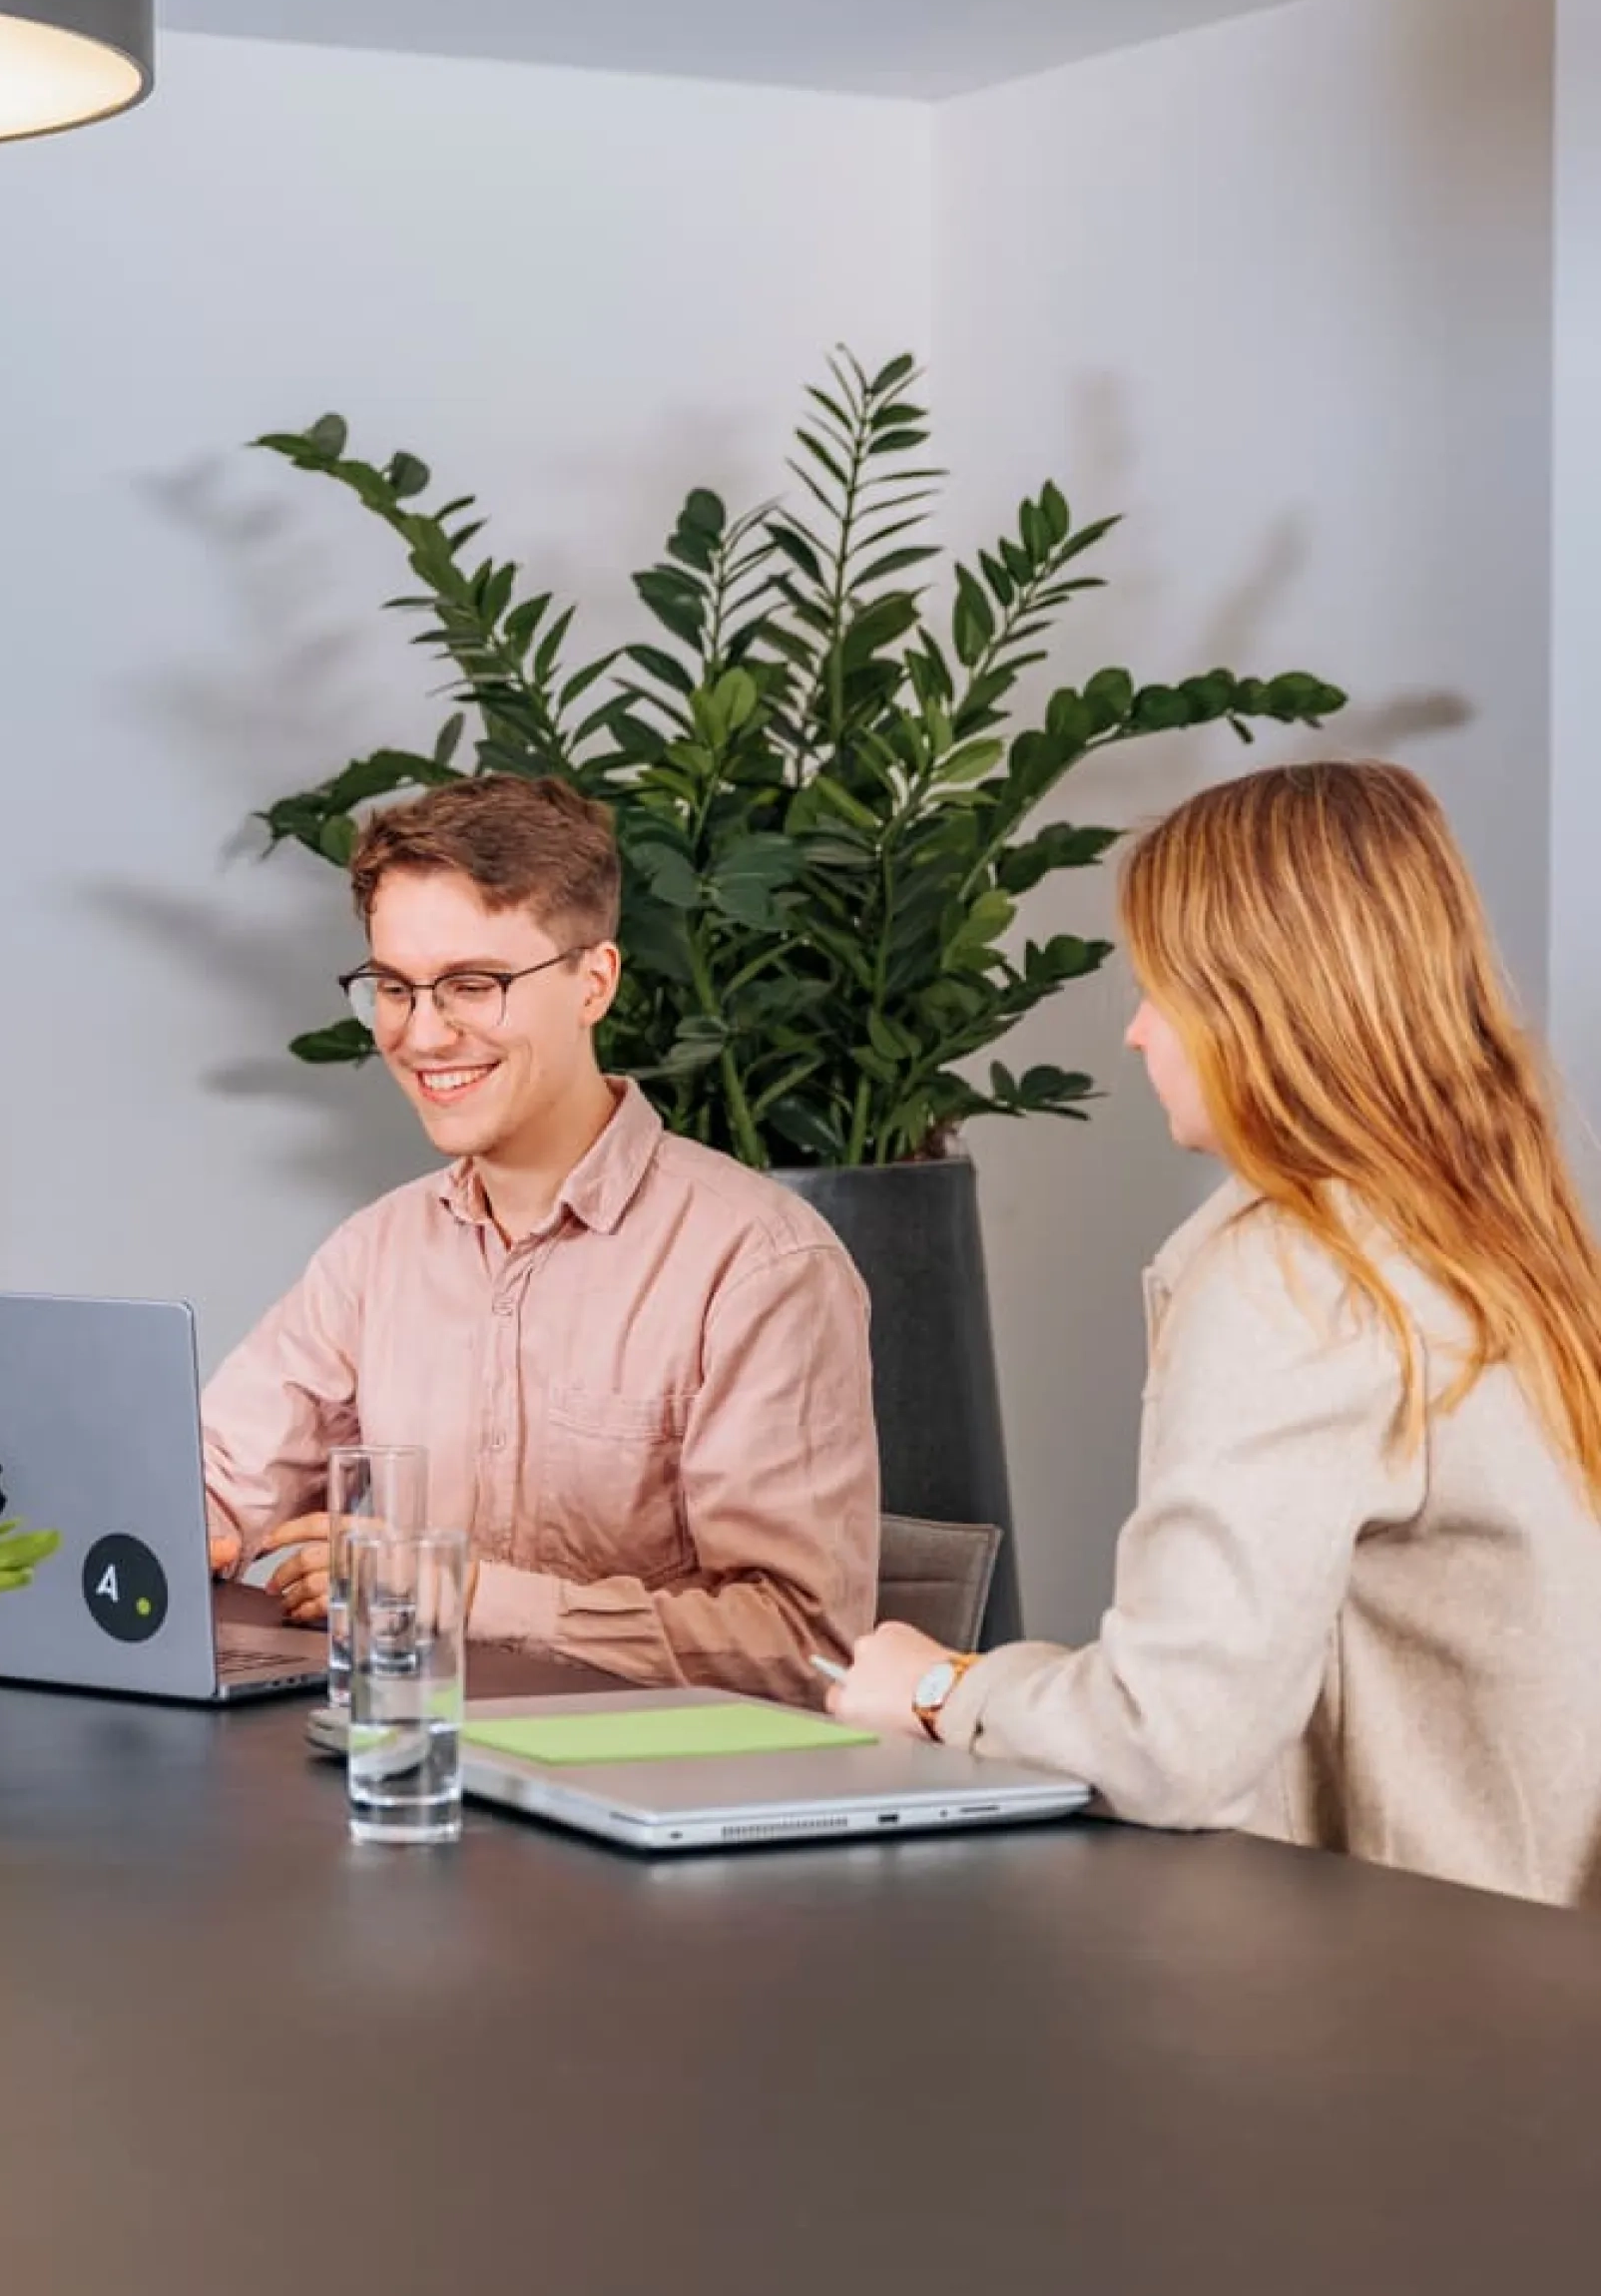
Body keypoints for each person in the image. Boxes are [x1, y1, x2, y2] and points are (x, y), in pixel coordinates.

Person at [831, 759, 1601, 1909]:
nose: (1139, 1034)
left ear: (1264, 1007)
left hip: (1416, 2001)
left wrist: (948, 1685)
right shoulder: (1500, 1240)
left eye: (1162, 991)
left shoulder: (1300, 1271)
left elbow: (1169, 1735)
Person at [201, 774, 878, 1699]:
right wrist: (169, 1516)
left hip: (648, 1806)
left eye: (472, 985)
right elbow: (217, 1480)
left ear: (593, 982)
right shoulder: (375, 1256)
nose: (424, 1034)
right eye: (394, 989)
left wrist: (464, 1592)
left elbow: (806, 1644)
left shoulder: (758, 1265)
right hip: (412, 1779)